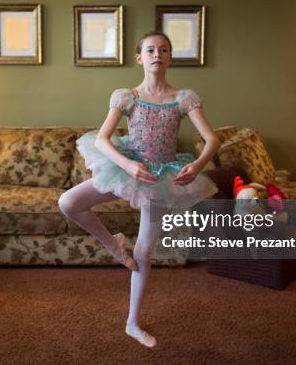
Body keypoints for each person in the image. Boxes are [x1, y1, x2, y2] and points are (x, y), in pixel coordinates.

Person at [57, 31, 220, 348]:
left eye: (164, 49)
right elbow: (103, 139)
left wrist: (198, 165)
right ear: (139, 57)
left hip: (162, 180)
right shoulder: (126, 96)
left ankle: (132, 323)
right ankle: (114, 246)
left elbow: (212, 140)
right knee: (68, 202)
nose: (157, 54)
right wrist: (129, 165)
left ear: (170, 57)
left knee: (144, 251)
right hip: (127, 168)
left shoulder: (183, 97)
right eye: (150, 50)